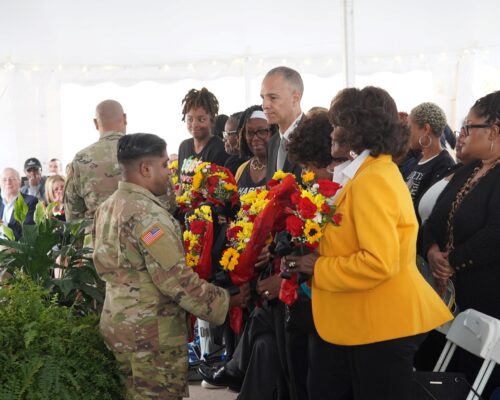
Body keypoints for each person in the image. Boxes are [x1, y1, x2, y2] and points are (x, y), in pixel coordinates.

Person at [286, 86, 452, 400]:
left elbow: (378, 261)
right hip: (368, 323)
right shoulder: (365, 174)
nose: (332, 131)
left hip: (385, 325)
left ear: (359, 130)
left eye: (338, 124)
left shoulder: (373, 179)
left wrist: (317, 267)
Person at [92, 133, 250, 400]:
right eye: (165, 165)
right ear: (145, 168)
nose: (169, 173)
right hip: (151, 338)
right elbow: (177, 281)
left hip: (118, 328)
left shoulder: (108, 207)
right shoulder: (148, 216)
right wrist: (228, 300)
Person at [422, 90, 500, 397]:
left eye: (469, 127)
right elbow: (431, 222)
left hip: (487, 298)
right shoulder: (467, 169)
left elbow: (496, 234)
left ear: (494, 130)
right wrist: (431, 252)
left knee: (478, 377)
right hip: (450, 297)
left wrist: (452, 261)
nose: (463, 134)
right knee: (444, 373)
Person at [64, 99, 126, 225]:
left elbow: (73, 214)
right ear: (124, 118)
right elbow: (166, 202)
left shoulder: (81, 158)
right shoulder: (145, 152)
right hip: (142, 238)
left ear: (95, 123)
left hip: (98, 239)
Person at [405, 102, 455, 216]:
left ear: (426, 129)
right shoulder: (419, 158)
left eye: (409, 127)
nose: (407, 133)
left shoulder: (445, 165)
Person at [177, 88, 229, 191]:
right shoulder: (184, 146)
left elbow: (218, 190)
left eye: (201, 119)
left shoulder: (219, 148)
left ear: (212, 120)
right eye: (190, 119)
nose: (194, 124)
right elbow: (181, 184)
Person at [261, 66, 304, 182]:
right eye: (263, 97)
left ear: (295, 98)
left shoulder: (316, 136)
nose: (265, 105)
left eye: (273, 98)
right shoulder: (272, 143)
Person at [234, 106, 275, 195]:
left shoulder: (280, 167)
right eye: (250, 133)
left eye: (262, 132)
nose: (255, 138)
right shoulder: (241, 170)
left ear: (273, 133)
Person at [0, 168, 37, 240]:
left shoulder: (30, 202)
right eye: (4, 179)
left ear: (20, 182)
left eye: (12, 179)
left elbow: (26, 234)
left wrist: (3, 225)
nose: (8, 182)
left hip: (15, 247)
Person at [223, 111, 247, 176]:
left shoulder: (233, 164)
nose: (224, 139)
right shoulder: (231, 160)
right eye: (224, 134)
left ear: (240, 134)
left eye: (228, 134)